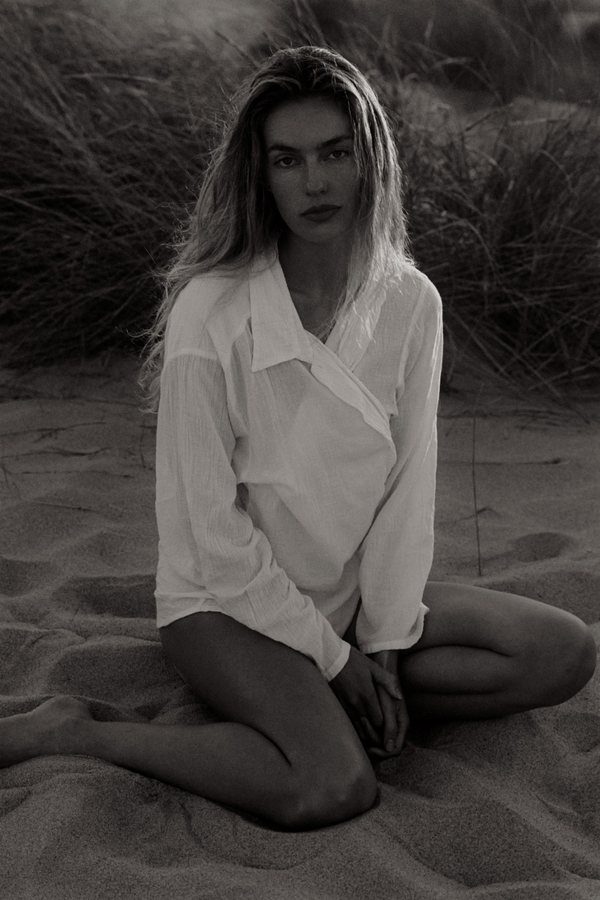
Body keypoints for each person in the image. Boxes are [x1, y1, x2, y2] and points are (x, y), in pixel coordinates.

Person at [1, 46, 595, 831]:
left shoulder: (412, 302)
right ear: (261, 173)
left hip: (346, 595)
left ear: (370, 161)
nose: (314, 183)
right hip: (222, 608)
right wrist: (336, 660)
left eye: (335, 153)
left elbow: (406, 492)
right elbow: (208, 534)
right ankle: (84, 730)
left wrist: (383, 644)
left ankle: (309, 710)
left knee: (561, 651)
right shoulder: (212, 310)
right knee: (332, 786)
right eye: (288, 160)